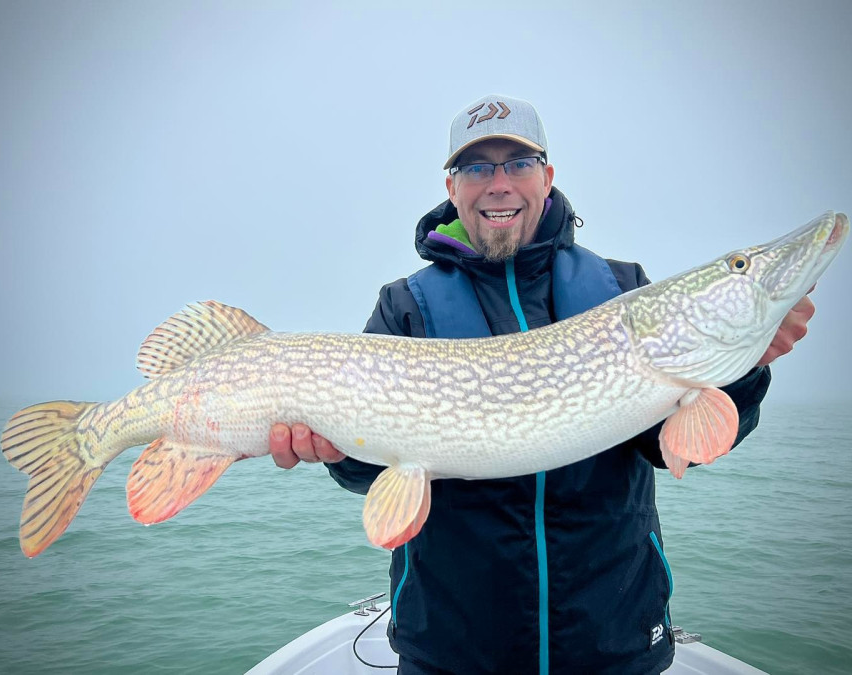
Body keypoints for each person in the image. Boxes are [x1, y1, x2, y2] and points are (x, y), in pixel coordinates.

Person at [269, 95, 815, 674]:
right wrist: (332, 450)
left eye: (519, 163)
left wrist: (744, 367)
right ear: (452, 188)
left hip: (610, 641)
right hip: (454, 649)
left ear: (547, 178)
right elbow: (366, 470)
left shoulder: (622, 291)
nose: (499, 184)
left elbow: (672, 447)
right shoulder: (405, 307)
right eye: (477, 167)